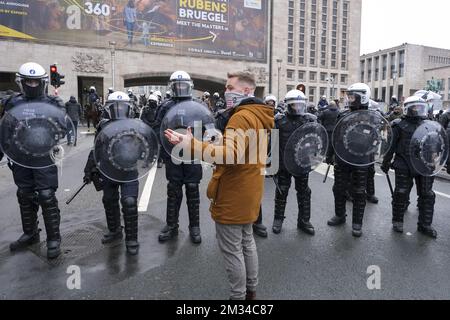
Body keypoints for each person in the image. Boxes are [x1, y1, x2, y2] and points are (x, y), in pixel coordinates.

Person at [164, 71, 274, 300]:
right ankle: (250, 291)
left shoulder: (241, 116)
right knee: (247, 242)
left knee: (233, 250)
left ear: (246, 90)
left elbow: (231, 156)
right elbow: (245, 151)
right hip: (249, 191)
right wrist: (216, 141)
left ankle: (238, 298)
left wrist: (191, 143)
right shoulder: (257, 114)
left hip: (234, 194)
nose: (226, 91)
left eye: (229, 86)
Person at [1, 62, 66, 259]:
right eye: (27, 81)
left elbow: (62, 129)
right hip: (20, 156)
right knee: (24, 194)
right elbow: (5, 128)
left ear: (42, 82)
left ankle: (54, 238)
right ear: (21, 82)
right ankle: (30, 233)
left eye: (34, 81)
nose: (31, 84)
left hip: (43, 156)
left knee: (46, 195)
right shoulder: (13, 103)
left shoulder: (54, 103)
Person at [83, 92, 141, 255]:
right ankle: (115, 231)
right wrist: (89, 168)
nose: (119, 110)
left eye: (122, 106)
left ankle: (131, 238)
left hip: (128, 170)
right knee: (109, 200)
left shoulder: (135, 125)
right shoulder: (103, 125)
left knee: (129, 203)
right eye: (115, 106)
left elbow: (144, 147)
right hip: (108, 169)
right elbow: (96, 148)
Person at [150, 71, 203, 244]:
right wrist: (163, 150)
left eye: (183, 85)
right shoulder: (165, 106)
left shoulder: (197, 105)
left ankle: (194, 227)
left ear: (189, 86)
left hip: (192, 153)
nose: (180, 88)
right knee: (173, 189)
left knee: (193, 188)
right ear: (172, 87)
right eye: (177, 85)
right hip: (172, 154)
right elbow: (157, 128)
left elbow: (208, 127)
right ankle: (171, 225)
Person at [381, 96, 439, 238]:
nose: (417, 110)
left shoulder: (429, 125)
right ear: (408, 108)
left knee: (427, 195)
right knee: (401, 193)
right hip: (404, 163)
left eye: (419, 107)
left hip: (424, 164)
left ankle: (425, 225)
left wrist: (434, 161)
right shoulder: (398, 125)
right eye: (414, 107)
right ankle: (397, 221)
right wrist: (386, 162)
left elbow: (434, 145)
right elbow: (391, 146)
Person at [327, 83, 373, 237]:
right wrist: (329, 154)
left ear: (363, 97)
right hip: (342, 158)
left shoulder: (372, 116)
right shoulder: (342, 115)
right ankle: (340, 216)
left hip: (361, 160)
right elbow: (335, 136)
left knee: (359, 192)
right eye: (350, 96)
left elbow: (377, 138)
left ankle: (357, 223)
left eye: (353, 96)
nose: (350, 99)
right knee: (338, 189)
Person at [272, 90, 317, 235]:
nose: (297, 107)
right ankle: (278, 219)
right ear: (288, 105)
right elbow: (272, 144)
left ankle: (304, 221)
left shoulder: (309, 120)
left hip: (302, 163)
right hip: (284, 163)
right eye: (294, 105)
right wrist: (273, 164)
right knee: (282, 191)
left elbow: (315, 140)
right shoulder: (279, 120)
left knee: (304, 192)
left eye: (300, 104)